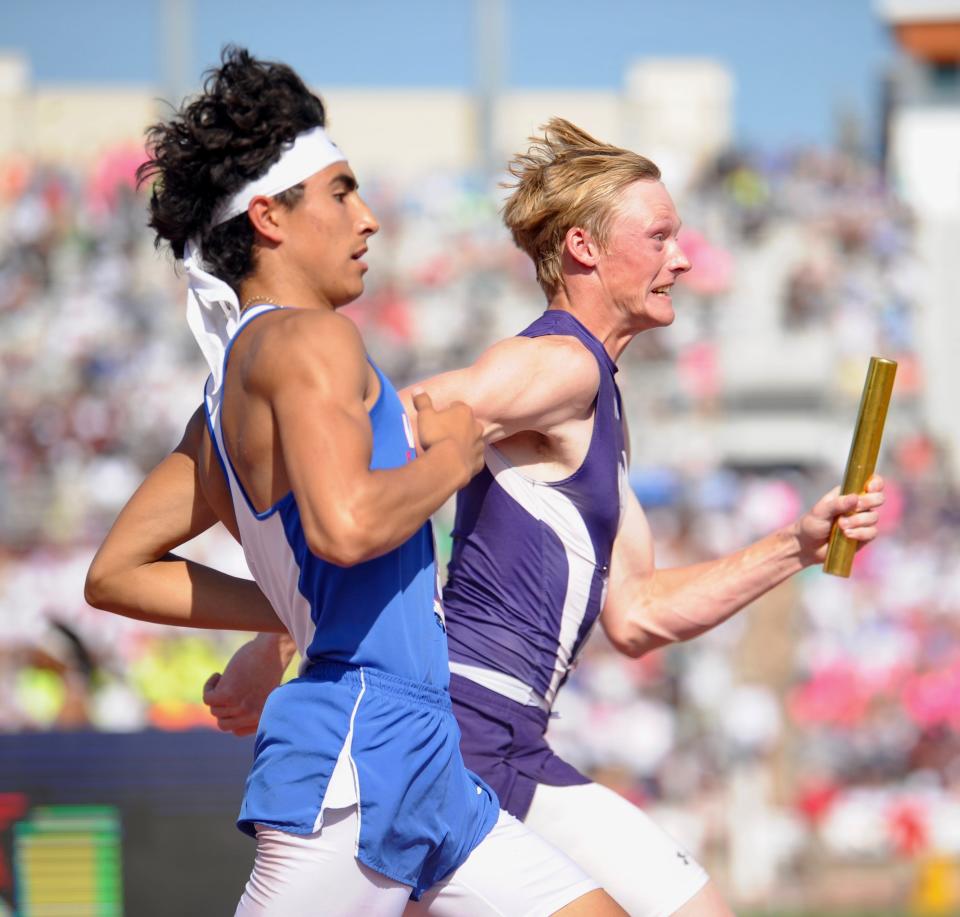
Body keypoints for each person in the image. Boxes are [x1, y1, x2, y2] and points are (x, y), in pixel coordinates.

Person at [91, 116, 885, 916]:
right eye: (660, 236)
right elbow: (370, 432)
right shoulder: (558, 364)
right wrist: (284, 631)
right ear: (584, 248)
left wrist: (796, 544)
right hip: (451, 726)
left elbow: (640, 615)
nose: (682, 257)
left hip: (502, 741)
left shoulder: (594, 398)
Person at [85, 49, 626, 917]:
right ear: (269, 216)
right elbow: (343, 528)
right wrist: (449, 460)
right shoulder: (309, 340)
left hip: (422, 761)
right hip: (357, 753)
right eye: (342, 191)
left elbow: (115, 570)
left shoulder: (223, 391)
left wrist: (292, 612)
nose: (368, 218)